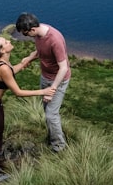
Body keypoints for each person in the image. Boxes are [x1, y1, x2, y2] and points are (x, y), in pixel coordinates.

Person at [0, 35, 49, 173]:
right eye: (5, 42)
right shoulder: (3, 67)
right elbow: (18, 92)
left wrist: (28, 59)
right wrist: (43, 91)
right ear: (2, 50)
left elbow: (11, 72)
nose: (9, 41)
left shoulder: (3, 62)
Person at [15, 12, 71, 152]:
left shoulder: (54, 39)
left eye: (26, 34)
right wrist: (29, 58)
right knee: (47, 111)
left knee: (51, 115)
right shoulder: (39, 34)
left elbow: (63, 68)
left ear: (32, 29)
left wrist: (52, 90)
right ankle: (53, 136)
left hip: (58, 80)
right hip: (45, 76)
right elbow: (40, 51)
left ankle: (59, 147)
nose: (26, 36)